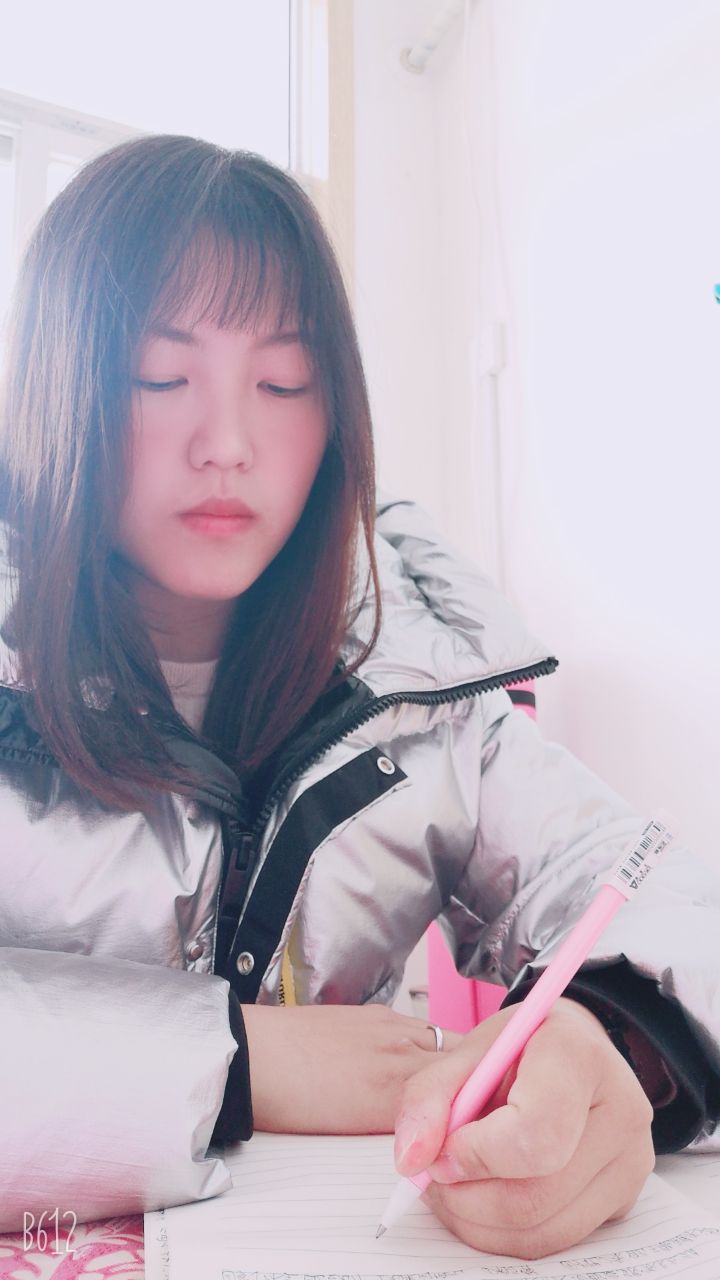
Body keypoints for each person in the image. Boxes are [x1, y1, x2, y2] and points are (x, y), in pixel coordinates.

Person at [0, 133, 717, 1260]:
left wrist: (615, 1038)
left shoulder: (418, 674)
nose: (228, 444)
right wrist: (234, 1058)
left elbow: (644, 883)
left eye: (284, 382)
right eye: (160, 376)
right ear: (54, 387)